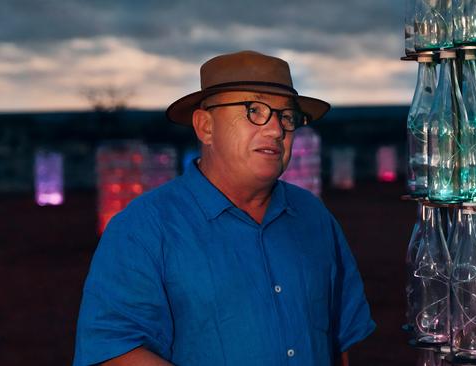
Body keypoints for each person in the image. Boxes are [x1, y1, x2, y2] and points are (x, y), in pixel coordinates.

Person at [74, 50, 375, 366]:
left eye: (287, 116)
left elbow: (339, 342)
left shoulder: (314, 218)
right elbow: (115, 351)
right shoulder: (144, 228)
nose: (276, 130)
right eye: (254, 110)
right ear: (205, 126)